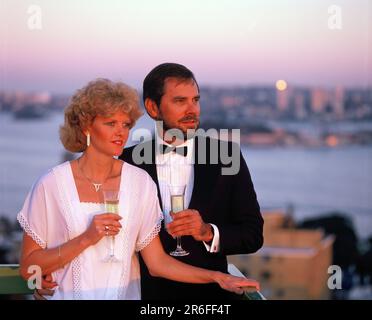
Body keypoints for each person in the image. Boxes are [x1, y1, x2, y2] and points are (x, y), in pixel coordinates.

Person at [18, 78, 259, 300]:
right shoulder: (50, 184)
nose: (121, 132)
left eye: (125, 124)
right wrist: (85, 240)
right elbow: (30, 268)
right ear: (86, 127)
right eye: (110, 123)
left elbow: (157, 263)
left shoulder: (140, 181)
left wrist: (217, 277)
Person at [120, 63, 264, 300]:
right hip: (146, 296)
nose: (192, 110)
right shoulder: (126, 162)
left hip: (211, 298)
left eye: (195, 100)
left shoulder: (227, 156)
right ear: (152, 107)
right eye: (180, 101)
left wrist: (207, 231)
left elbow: (253, 234)